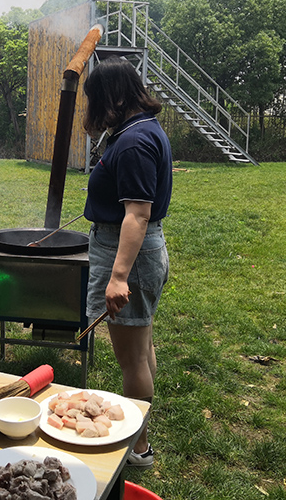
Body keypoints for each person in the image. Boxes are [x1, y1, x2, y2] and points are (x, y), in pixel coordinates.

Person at [82, 57, 172, 468]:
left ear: (115, 96)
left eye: (97, 100)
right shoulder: (139, 131)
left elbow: (137, 213)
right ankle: (143, 434)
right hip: (134, 248)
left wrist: (118, 277)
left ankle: (138, 448)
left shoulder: (134, 141)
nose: (94, 111)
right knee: (142, 343)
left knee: (133, 357)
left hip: (128, 255)